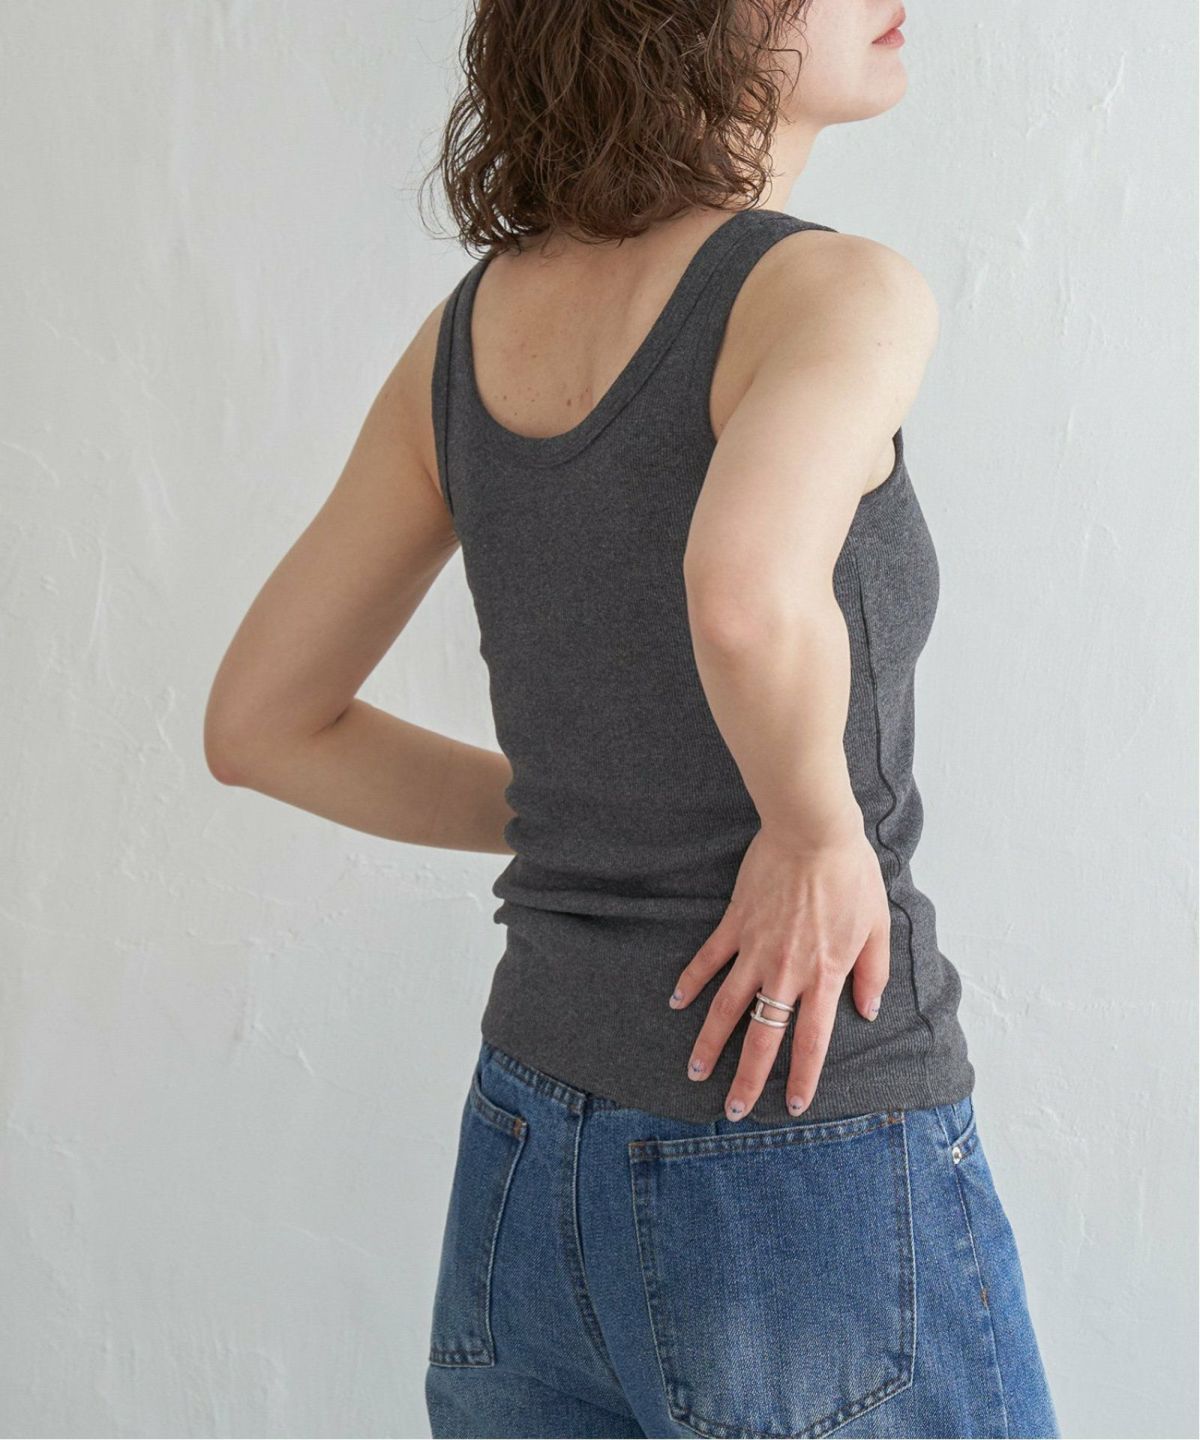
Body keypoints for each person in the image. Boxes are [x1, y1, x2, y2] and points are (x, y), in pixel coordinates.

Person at [204, 1, 1062, 1435]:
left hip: (527, 1153)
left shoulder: (469, 335)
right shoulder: (834, 291)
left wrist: (581, 815)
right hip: (800, 1143)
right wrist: (813, 828)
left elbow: (262, 724)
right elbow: (743, 594)